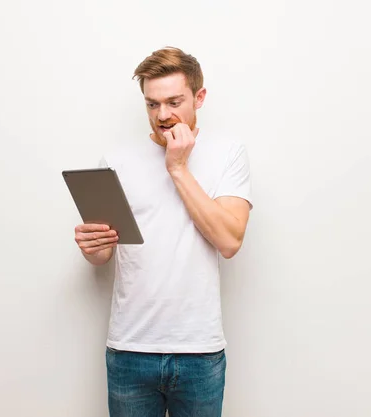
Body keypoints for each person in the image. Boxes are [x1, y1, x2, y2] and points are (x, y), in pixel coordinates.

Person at [74, 46, 253, 417]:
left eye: (174, 102)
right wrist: (91, 246)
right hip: (129, 349)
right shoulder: (117, 161)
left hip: (200, 352)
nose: (163, 115)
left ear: (199, 97)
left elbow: (230, 241)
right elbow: (102, 254)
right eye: (152, 104)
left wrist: (178, 168)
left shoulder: (228, 153)